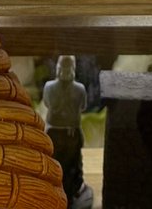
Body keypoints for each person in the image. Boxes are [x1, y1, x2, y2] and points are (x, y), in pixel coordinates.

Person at [44, 55, 90, 208]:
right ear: (73, 69)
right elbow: (83, 106)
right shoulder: (80, 89)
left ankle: (60, 195)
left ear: (57, 68)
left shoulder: (49, 87)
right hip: (70, 132)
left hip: (55, 131)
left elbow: (46, 103)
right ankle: (69, 195)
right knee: (71, 166)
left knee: (57, 165)